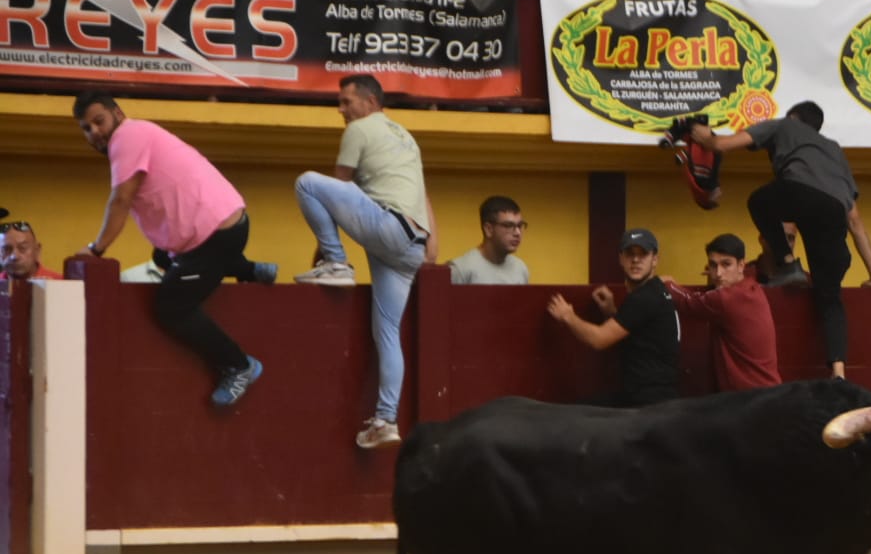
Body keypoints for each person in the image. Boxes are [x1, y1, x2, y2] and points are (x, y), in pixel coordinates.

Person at [73, 91, 274, 407]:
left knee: (170, 306)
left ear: (117, 113)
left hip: (216, 237)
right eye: (86, 128)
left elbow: (121, 199)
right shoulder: (136, 135)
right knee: (161, 255)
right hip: (221, 232)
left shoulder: (126, 136)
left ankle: (239, 365)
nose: (95, 131)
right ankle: (249, 269)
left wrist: (96, 250)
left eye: (99, 121)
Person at [293, 74, 439, 450]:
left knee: (308, 183)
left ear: (370, 102)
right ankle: (386, 419)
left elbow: (339, 186)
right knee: (387, 332)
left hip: (387, 227)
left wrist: (329, 252)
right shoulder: (405, 136)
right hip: (412, 244)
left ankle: (338, 263)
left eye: (346, 102)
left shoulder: (360, 129)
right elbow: (423, 196)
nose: (341, 110)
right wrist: (431, 250)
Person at [688, 101, 866, 378]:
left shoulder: (784, 125)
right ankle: (839, 372)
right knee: (829, 297)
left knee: (759, 202)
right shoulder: (834, 150)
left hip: (799, 193)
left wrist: (700, 134)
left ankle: (787, 262)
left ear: (793, 116)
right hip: (833, 213)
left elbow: (720, 145)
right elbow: (855, 221)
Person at [547, 228, 681, 407]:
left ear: (655, 260)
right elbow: (638, 332)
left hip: (646, 403)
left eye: (643, 255)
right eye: (630, 254)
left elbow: (599, 340)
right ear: (621, 259)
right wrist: (611, 313)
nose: (635, 260)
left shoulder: (643, 298)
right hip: (657, 397)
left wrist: (568, 316)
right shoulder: (656, 290)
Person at [661, 233, 781, 393]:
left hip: (751, 399)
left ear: (741, 265)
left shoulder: (728, 299)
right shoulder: (751, 287)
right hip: (767, 393)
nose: (718, 273)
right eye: (713, 265)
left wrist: (666, 282)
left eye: (726, 265)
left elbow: (687, 302)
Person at [449, 196, 529, 286]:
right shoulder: (460, 270)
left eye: (520, 225)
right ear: (489, 229)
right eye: (509, 225)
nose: (517, 233)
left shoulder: (520, 268)